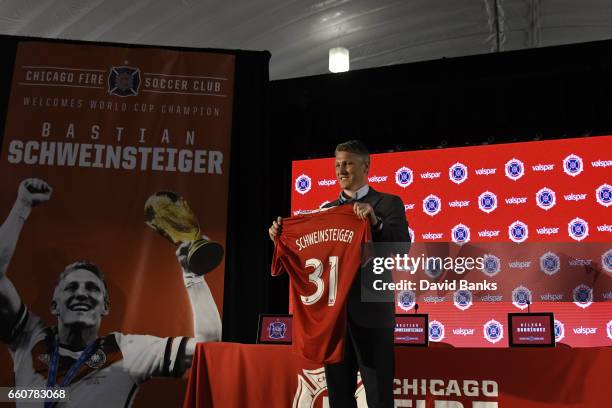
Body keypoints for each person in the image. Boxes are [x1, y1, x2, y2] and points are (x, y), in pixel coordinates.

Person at [0, 178, 222, 407]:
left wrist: (193, 277)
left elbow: (208, 347)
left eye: (92, 288)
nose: (82, 293)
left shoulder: (126, 350)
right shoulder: (29, 339)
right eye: (71, 287)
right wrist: (22, 205)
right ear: (54, 305)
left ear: (105, 306)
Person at [269, 140, 410, 408]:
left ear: (366, 166)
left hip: (373, 312)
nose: (340, 170)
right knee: (339, 397)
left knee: (380, 396)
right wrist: (280, 237)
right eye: (337, 164)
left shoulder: (388, 203)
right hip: (333, 317)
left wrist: (375, 222)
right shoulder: (325, 211)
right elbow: (309, 256)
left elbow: (402, 246)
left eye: (347, 163)